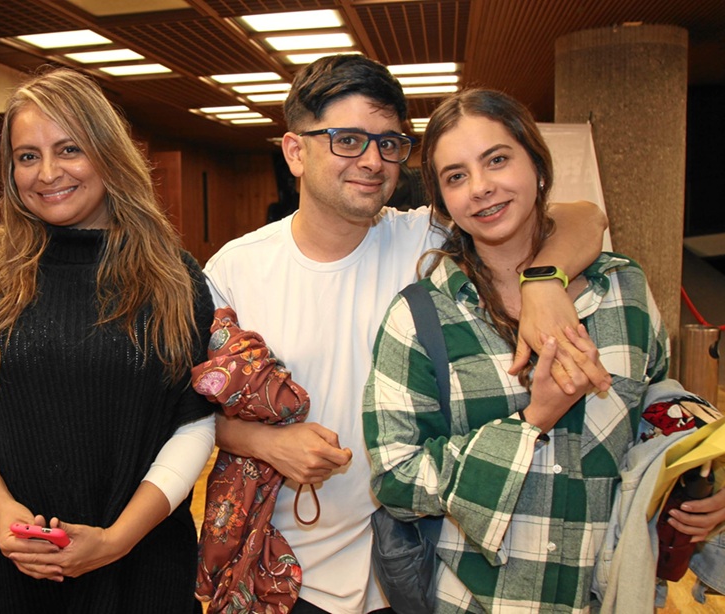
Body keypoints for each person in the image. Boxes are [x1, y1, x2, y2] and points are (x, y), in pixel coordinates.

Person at [203, 55, 610, 614]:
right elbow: (191, 411)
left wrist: (543, 280)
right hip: (292, 569)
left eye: (389, 143)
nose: (373, 161)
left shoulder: (426, 238)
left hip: (421, 561)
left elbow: (582, 216)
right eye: (348, 140)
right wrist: (266, 443)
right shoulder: (235, 270)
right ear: (295, 152)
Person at [363, 88, 725, 612]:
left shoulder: (623, 290)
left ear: (537, 166)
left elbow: (655, 407)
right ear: (442, 203)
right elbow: (396, 477)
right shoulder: (421, 317)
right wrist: (531, 422)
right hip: (479, 600)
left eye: (497, 160)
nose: (481, 188)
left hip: (609, 593)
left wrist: (699, 487)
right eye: (455, 176)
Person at [0, 67, 216, 613]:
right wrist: (2, 506)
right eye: (27, 156)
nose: (47, 172)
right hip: (6, 562)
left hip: (140, 563)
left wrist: (118, 539)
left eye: (69, 149)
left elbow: (192, 422)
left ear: (107, 153)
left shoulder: (173, 276)